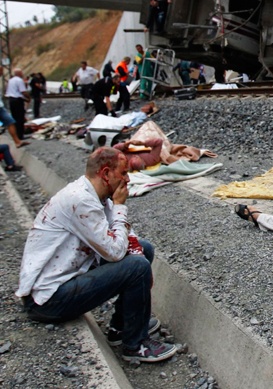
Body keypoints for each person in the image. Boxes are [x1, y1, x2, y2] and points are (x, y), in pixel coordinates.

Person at [15, 147, 176, 363]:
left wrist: (133, 242)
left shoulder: (98, 196)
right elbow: (114, 252)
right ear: (106, 173)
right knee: (137, 267)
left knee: (144, 249)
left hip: (66, 279)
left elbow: (129, 241)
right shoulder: (80, 200)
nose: (127, 180)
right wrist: (121, 207)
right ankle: (135, 345)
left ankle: (121, 328)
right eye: (123, 173)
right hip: (48, 300)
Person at [5, 68, 30, 139]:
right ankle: (20, 135)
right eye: (21, 73)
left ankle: (16, 134)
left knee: (14, 117)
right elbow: (23, 91)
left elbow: (11, 91)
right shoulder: (19, 80)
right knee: (20, 118)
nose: (22, 74)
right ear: (19, 73)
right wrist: (28, 97)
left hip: (11, 100)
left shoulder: (10, 80)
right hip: (17, 101)